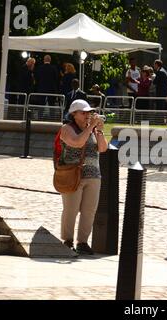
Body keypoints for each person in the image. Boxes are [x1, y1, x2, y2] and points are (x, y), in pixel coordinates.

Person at [59, 99, 108, 254]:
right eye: (84, 112)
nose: (88, 115)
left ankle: (83, 242)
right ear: (74, 114)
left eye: (89, 112)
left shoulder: (92, 129)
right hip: (74, 174)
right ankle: (67, 240)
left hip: (93, 175)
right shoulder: (67, 128)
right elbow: (77, 142)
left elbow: (103, 148)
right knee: (71, 209)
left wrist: (98, 130)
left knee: (89, 210)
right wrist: (91, 127)